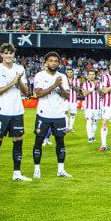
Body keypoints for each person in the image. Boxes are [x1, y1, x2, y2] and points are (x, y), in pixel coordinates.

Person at [0, 43, 31, 183]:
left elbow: (26, 92)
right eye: (6, 53)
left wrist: (19, 82)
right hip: (2, 111)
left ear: (14, 54)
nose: (8, 56)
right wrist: (12, 83)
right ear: (1, 54)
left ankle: (17, 173)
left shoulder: (20, 69)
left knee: (18, 141)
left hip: (17, 111)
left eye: (11, 53)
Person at [32, 51, 73, 179]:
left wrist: (60, 86)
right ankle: (37, 170)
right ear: (46, 62)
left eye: (56, 61)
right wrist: (54, 85)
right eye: (51, 61)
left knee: (60, 142)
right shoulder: (39, 75)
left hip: (59, 115)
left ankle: (61, 170)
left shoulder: (62, 76)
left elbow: (67, 95)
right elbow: (38, 93)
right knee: (39, 141)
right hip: (43, 114)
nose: (53, 63)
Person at [80, 68, 102, 144]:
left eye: (93, 74)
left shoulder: (99, 83)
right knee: (89, 121)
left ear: (95, 75)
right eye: (90, 74)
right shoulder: (85, 84)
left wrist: (97, 88)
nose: (92, 76)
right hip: (88, 107)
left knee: (95, 122)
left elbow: (102, 94)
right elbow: (84, 94)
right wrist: (93, 87)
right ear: (88, 76)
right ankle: (89, 137)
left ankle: (92, 136)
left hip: (97, 107)